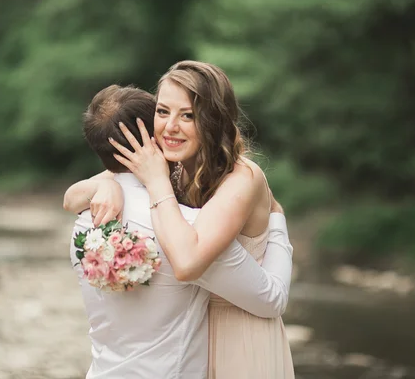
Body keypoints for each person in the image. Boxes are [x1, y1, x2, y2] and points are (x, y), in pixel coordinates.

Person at [66, 61, 295, 378]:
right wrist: (103, 185)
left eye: (188, 115)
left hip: (240, 333)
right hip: (195, 339)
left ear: (213, 120)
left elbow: (189, 263)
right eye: (162, 112)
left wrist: (277, 221)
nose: (170, 126)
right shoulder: (170, 162)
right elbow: (71, 197)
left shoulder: (240, 178)